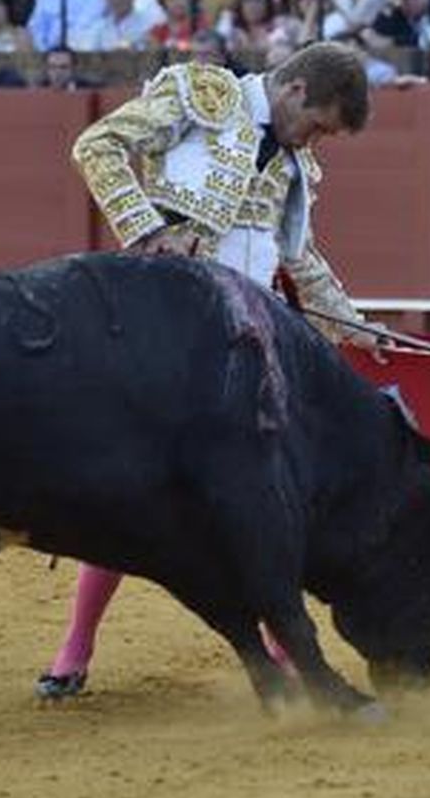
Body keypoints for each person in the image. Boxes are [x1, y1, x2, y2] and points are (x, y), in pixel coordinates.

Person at [43, 41, 383, 699]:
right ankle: (75, 645)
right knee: (131, 490)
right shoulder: (204, 97)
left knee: (259, 497)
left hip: (246, 344)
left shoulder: (293, 160)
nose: (315, 142)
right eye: (316, 125)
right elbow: (98, 146)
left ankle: (285, 649)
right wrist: (145, 231)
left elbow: (299, 256)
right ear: (294, 92)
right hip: (165, 334)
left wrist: (355, 325)